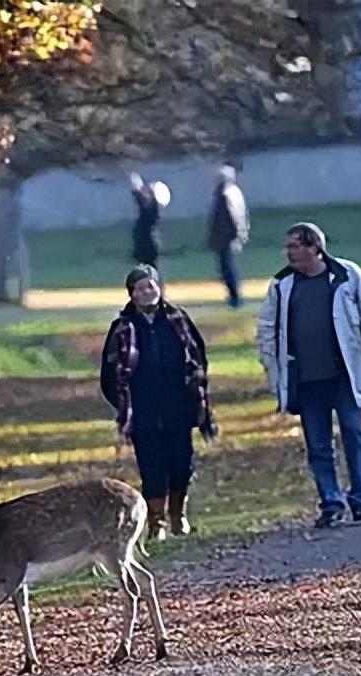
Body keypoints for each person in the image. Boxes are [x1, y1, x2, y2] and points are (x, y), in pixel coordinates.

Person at [257, 222, 361, 529]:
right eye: (288, 246)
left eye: (295, 245)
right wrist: (271, 366)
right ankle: (331, 502)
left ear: (314, 248)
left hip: (343, 372)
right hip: (306, 378)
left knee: (353, 432)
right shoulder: (281, 285)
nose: (289, 252)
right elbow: (267, 329)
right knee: (318, 444)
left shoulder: (347, 276)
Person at [101, 265, 217, 539]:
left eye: (151, 286)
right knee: (152, 467)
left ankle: (178, 514)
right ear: (132, 294)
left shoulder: (177, 320)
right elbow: (110, 374)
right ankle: (157, 521)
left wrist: (196, 395)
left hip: (178, 406)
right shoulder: (122, 328)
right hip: (144, 410)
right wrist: (123, 405)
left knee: (181, 464)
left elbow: (198, 359)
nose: (147, 292)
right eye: (140, 289)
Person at [205, 164, 249, 308]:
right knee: (226, 268)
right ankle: (233, 296)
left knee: (228, 268)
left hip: (227, 237)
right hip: (224, 237)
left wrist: (238, 234)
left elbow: (234, 216)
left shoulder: (226, 193)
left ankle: (235, 297)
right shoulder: (228, 192)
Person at [129, 172, 170, 267]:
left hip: (146, 247)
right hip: (146, 246)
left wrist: (134, 180)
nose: (146, 191)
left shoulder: (149, 209)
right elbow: (140, 196)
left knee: (147, 272)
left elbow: (140, 196)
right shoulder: (151, 209)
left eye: (150, 191)